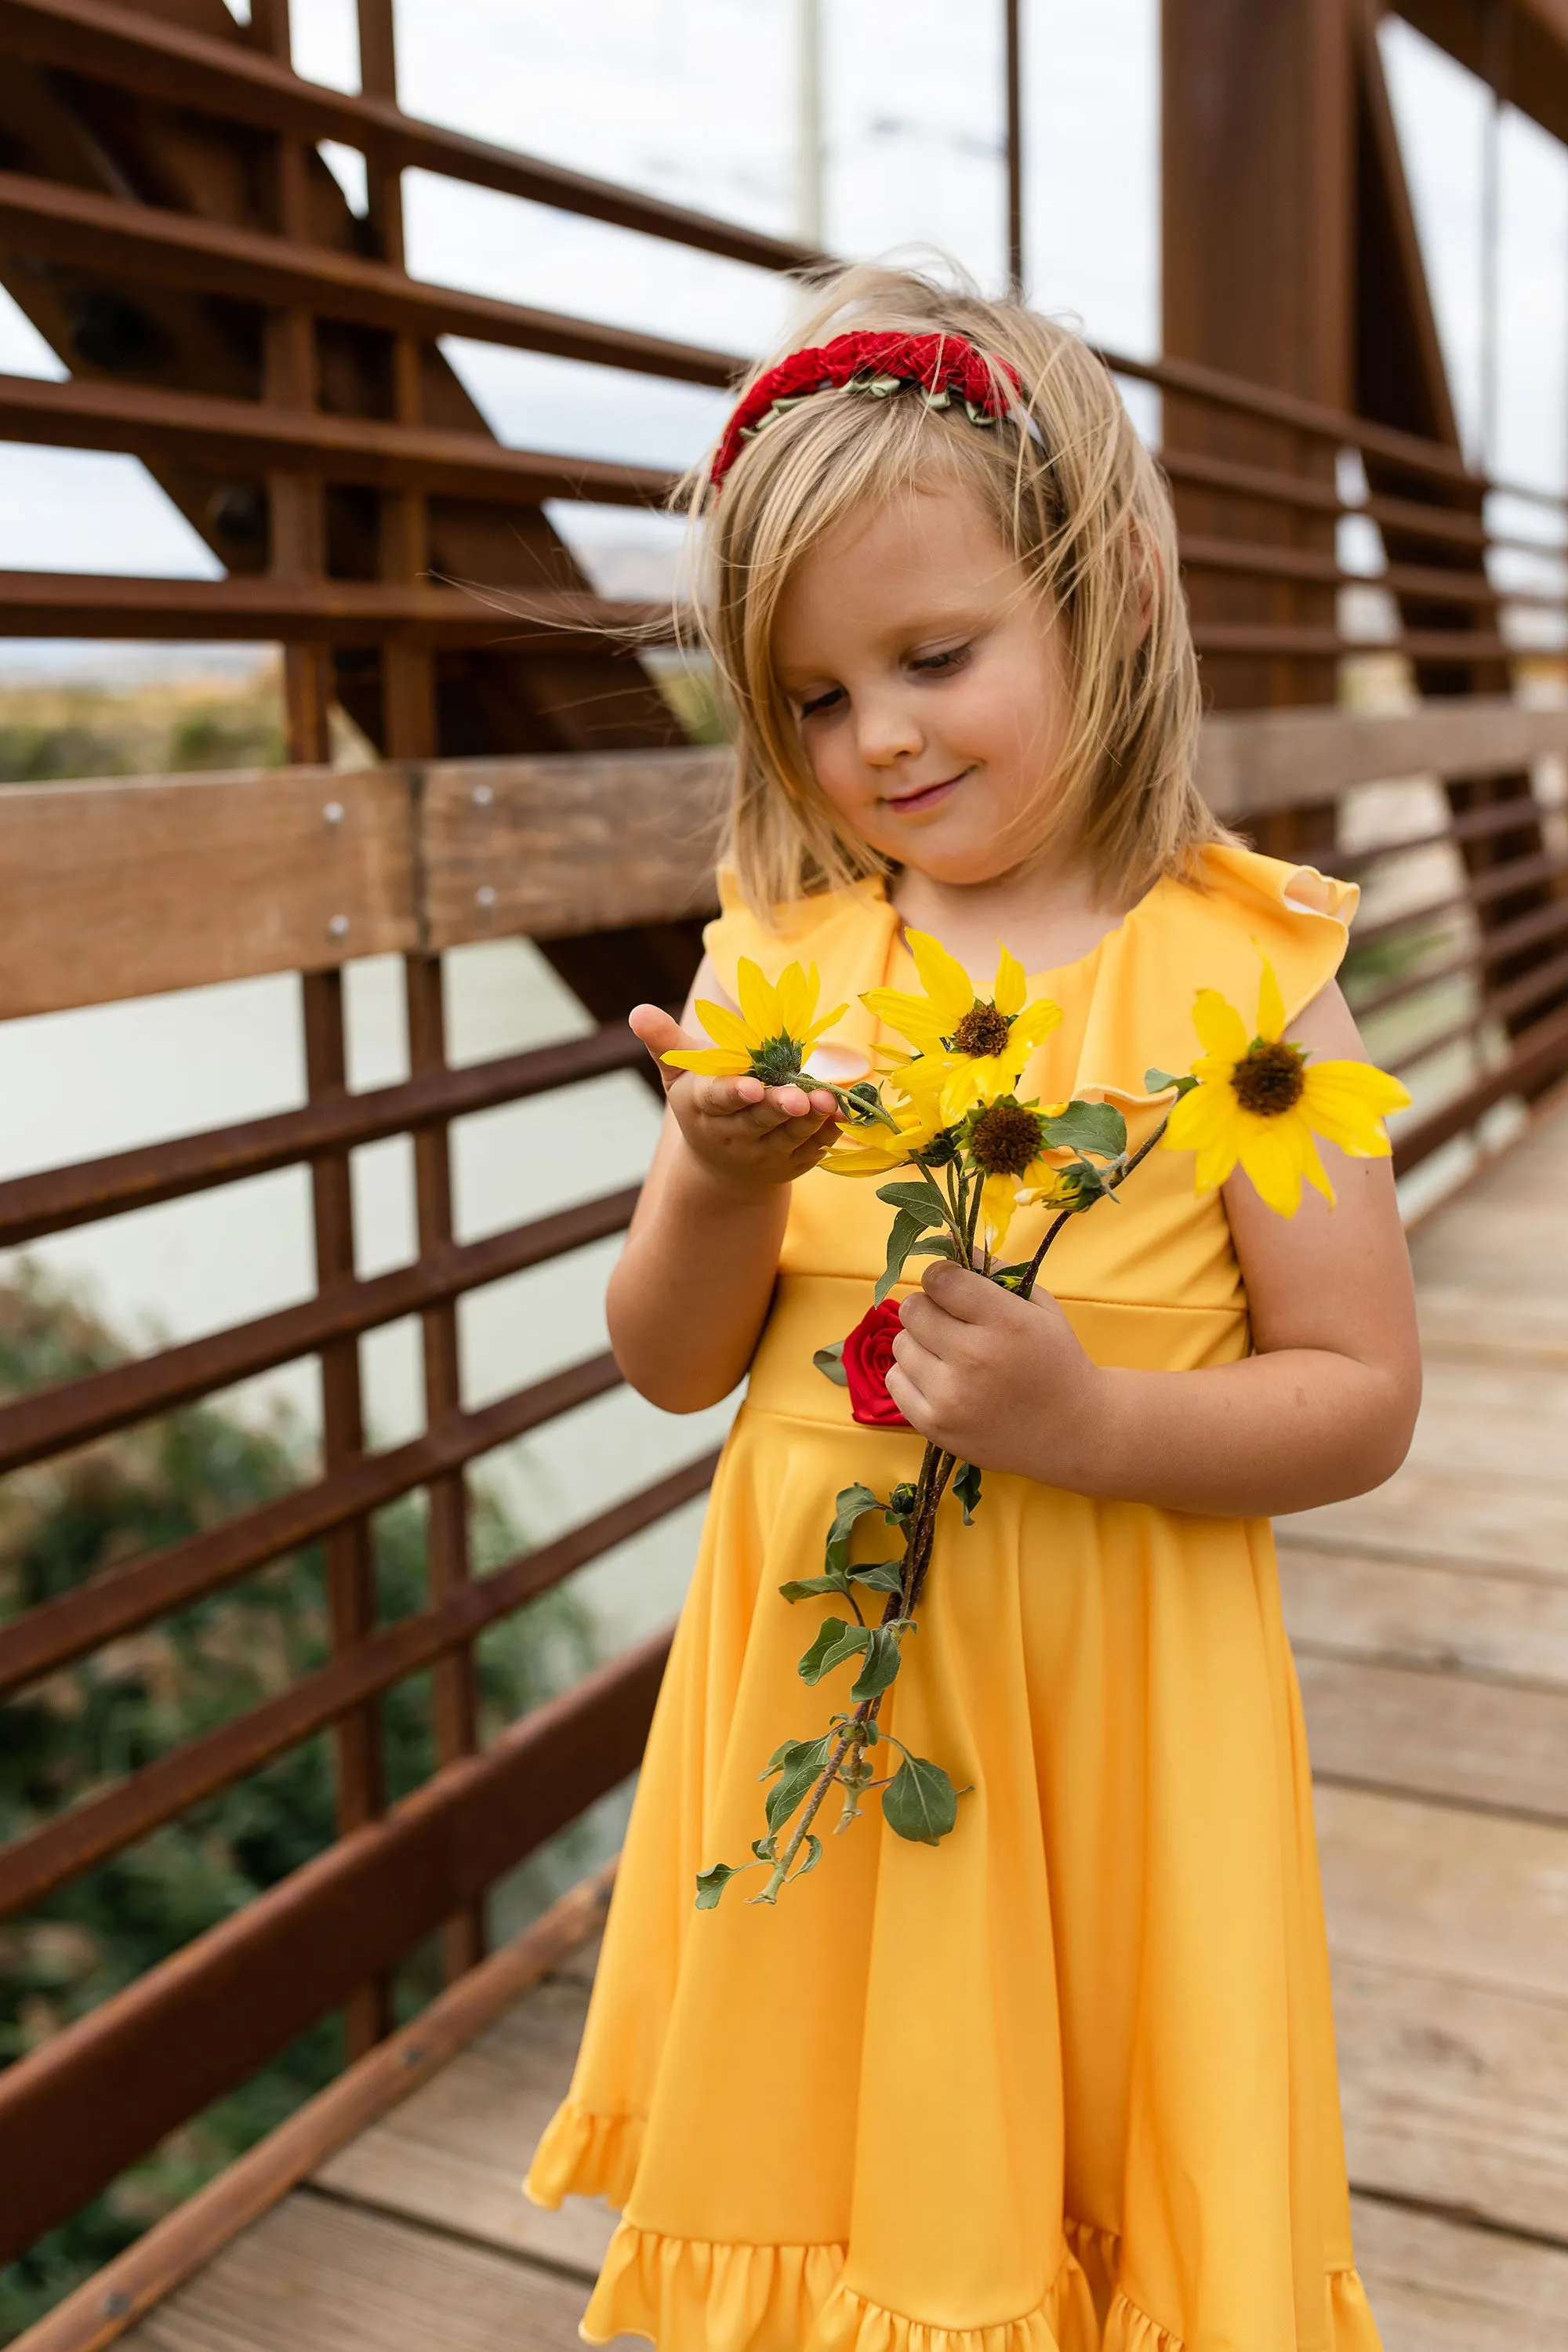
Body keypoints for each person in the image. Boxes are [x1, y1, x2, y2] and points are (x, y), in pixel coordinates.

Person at [525, 262, 1417, 2352]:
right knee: (842, 2163)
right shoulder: (781, 955)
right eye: (819, 699)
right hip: (819, 1711)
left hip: (1106, 1705)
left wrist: (1093, 1424)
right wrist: (715, 1185)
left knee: (1080, 2172)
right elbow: (666, 1367)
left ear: (1104, 583)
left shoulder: (1249, 983)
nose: (882, 737)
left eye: (935, 656)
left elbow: (1361, 1396)